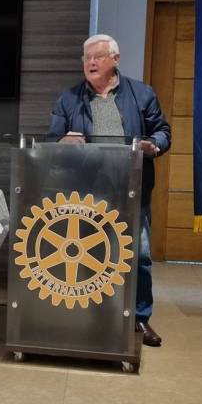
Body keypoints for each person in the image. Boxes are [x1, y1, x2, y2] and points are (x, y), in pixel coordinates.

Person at [48, 34, 171, 347]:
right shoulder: (69, 99)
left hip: (132, 186)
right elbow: (52, 138)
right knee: (89, 253)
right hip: (86, 189)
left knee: (139, 255)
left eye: (98, 57)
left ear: (115, 60)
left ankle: (140, 318)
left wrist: (153, 145)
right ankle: (94, 316)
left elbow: (162, 131)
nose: (90, 63)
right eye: (86, 58)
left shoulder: (142, 94)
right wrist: (63, 141)